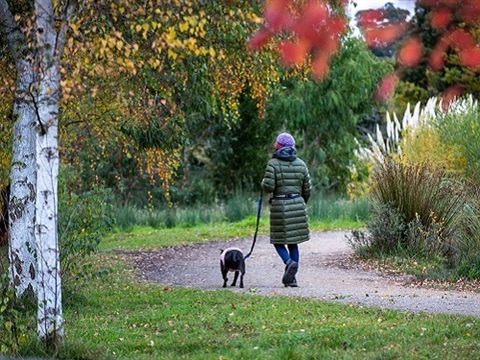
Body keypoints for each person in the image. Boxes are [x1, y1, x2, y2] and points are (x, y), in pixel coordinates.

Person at [261, 132, 311, 287]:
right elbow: (307, 189)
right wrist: (301, 202)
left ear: (278, 146)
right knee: (293, 242)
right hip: (297, 204)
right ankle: (293, 279)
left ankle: (288, 262)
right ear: (292, 147)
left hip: (280, 207)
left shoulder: (273, 164)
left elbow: (269, 186)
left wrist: (263, 182)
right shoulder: (301, 164)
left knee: (278, 240)